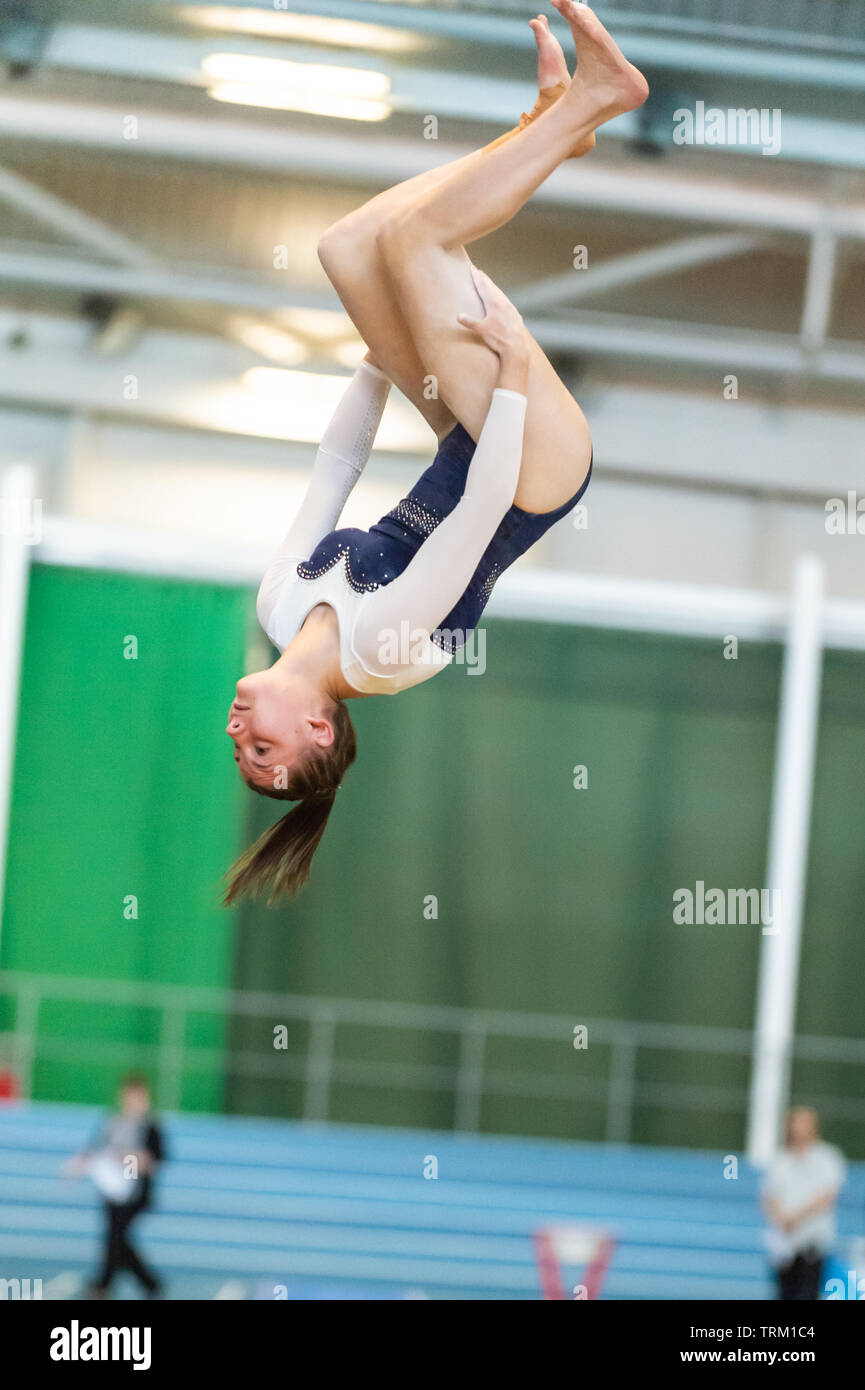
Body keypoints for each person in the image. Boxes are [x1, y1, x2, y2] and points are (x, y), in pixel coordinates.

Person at [224, 3, 649, 904]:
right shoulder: (384, 650)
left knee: (347, 249)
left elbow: (332, 472)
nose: (237, 734)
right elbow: (483, 510)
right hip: (529, 471)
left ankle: (545, 130)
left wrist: (374, 366)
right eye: (264, 750)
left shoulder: (279, 604)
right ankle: (594, 102)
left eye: (243, 752)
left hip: (469, 441)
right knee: (416, 240)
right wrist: (508, 379)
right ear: (321, 730)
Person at [66, 1074, 166, 1299]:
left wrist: (133, 1160)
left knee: (117, 1238)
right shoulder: (113, 1122)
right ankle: (120, 1283)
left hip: (136, 1192)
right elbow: (96, 1149)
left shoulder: (151, 1126)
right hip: (112, 1191)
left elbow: (157, 1159)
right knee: (114, 1238)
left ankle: (134, 1283)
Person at [762, 1107, 846, 1301]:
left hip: (812, 1242)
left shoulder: (827, 1158)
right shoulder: (780, 1160)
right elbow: (769, 1196)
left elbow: (826, 1197)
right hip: (784, 1244)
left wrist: (795, 1218)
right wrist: (781, 1219)